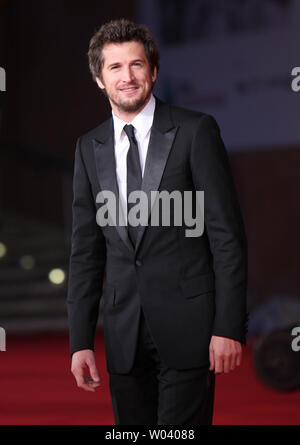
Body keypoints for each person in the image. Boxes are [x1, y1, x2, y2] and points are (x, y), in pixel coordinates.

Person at [67, 18, 248, 425]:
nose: (127, 77)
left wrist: (228, 326)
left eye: (136, 65)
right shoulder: (87, 148)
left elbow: (226, 237)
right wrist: (80, 341)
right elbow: (85, 253)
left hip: (190, 328)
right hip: (122, 336)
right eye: (115, 67)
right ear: (99, 79)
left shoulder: (195, 131)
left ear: (153, 71)